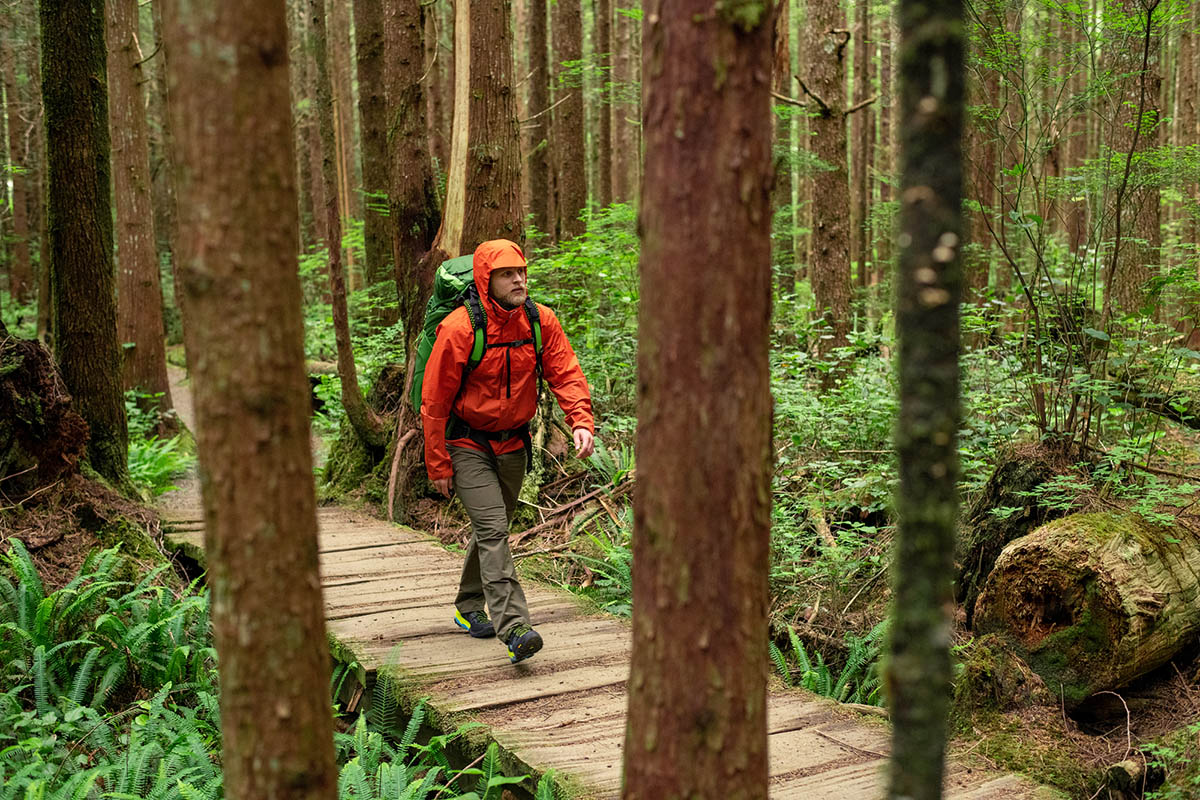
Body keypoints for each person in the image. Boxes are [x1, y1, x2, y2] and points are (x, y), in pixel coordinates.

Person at [421, 239, 595, 664]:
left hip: (514, 442)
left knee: (491, 529)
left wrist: (580, 420)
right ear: (486, 280)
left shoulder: (539, 321)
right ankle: (515, 628)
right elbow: (435, 401)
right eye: (507, 274)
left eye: (521, 272)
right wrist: (438, 462)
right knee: (495, 529)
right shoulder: (460, 328)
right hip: (467, 442)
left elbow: (565, 372)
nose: (519, 280)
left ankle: (467, 606)